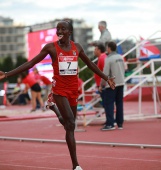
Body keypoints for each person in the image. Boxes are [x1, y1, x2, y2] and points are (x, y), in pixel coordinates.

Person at [0, 20, 115, 170]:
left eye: (63, 29)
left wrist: (106, 77)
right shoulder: (51, 48)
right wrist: (8, 74)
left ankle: (54, 109)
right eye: (58, 29)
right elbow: (31, 63)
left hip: (73, 89)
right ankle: (76, 165)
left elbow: (90, 64)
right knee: (71, 124)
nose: (59, 31)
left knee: (70, 126)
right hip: (59, 90)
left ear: (70, 32)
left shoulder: (77, 47)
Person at [99, 41, 125, 131]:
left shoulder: (109, 59)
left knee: (109, 104)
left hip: (111, 84)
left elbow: (105, 73)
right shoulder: (120, 57)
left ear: (109, 48)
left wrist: (101, 85)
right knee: (119, 103)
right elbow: (124, 69)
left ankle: (110, 124)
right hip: (121, 83)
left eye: (107, 47)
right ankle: (120, 123)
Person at [93, 43, 107, 107]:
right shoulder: (101, 58)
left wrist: (102, 84)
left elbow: (105, 72)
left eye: (95, 49)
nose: (94, 51)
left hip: (103, 85)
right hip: (101, 84)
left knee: (105, 101)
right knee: (100, 100)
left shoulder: (102, 58)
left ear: (99, 50)